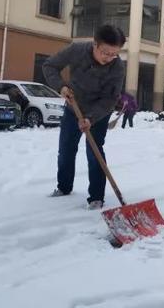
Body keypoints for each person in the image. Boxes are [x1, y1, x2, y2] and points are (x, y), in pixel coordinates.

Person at [43, 24, 126, 209]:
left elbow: (110, 99)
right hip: (74, 108)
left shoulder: (117, 67)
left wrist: (91, 118)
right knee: (66, 149)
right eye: (106, 52)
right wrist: (61, 87)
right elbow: (50, 66)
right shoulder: (77, 50)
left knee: (95, 152)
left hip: (99, 113)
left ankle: (96, 197)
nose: (110, 58)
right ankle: (64, 187)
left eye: (114, 54)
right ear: (95, 44)